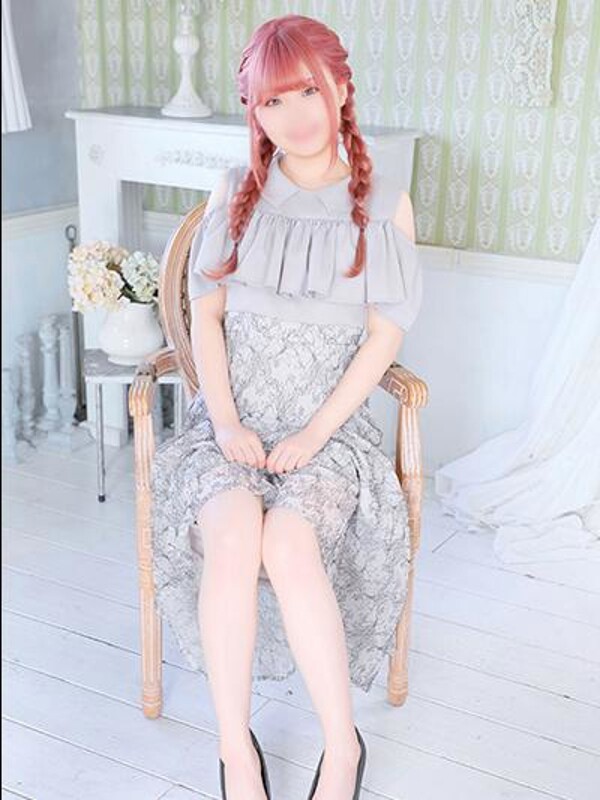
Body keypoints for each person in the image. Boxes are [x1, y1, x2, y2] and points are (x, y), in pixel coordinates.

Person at [150, 13, 422, 800]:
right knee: (235, 532)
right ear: (255, 112)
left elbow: (383, 337)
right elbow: (205, 318)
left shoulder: (385, 204)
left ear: (341, 86)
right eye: (273, 100)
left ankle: (342, 748)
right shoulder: (235, 192)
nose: (295, 114)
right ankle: (235, 750)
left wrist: (313, 432)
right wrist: (226, 422)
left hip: (327, 436)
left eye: (307, 90)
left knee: (291, 542)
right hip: (228, 427)